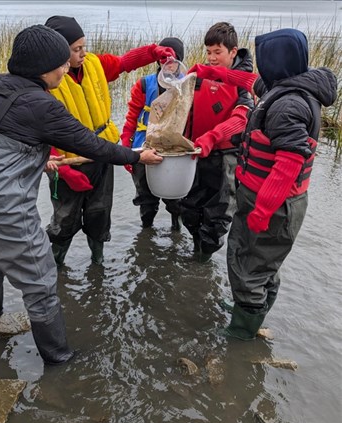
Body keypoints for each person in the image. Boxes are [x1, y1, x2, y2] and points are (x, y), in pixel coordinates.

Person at [0, 25, 163, 365]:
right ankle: (59, 361)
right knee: (42, 281)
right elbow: (92, 145)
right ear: (42, 68)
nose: (67, 69)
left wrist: (39, 156)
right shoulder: (42, 105)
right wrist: (138, 156)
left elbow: (3, 139)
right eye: (62, 64)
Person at [210, 28, 336, 340]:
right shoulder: (289, 83)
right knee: (263, 263)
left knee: (248, 266)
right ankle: (249, 308)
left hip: (273, 204)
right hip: (268, 200)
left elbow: (288, 165)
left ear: (276, 62)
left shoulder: (288, 104)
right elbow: (249, 81)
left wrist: (262, 211)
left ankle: (241, 333)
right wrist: (210, 70)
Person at [43, 15, 176, 265]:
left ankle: (97, 264)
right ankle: (56, 268)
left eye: (84, 46)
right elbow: (38, 133)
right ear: (58, 50)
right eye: (76, 49)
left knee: (99, 214)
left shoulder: (93, 64)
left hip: (101, 154)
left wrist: (152, 52)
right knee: (65, 220)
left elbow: (124, 63)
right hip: (67, 163)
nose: (83, 53)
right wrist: (66, 172)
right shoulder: (46, 80)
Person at [179, 22, 254, 262]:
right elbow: (181, 108)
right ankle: (196, 247)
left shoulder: (245, 82)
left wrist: (213, 137)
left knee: (218, 215)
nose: (211, 58)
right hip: (195, 152)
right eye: (208, 52)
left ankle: (203, 263)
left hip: (225, 156)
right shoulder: (199, 76)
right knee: (189, 207)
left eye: (217, 52)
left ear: (233, 52)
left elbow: (242, 118)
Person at [120, 37, 186, 230]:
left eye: (172, 60)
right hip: (144, 147)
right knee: (145, 198)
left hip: (174, 151)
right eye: (163, 59)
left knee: (176, 200)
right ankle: (146, 232)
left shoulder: (188, 85)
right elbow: (131, 118)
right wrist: (126, 148)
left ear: (179, 60)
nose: (167, 64)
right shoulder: (143, 84)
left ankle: (176, 230)